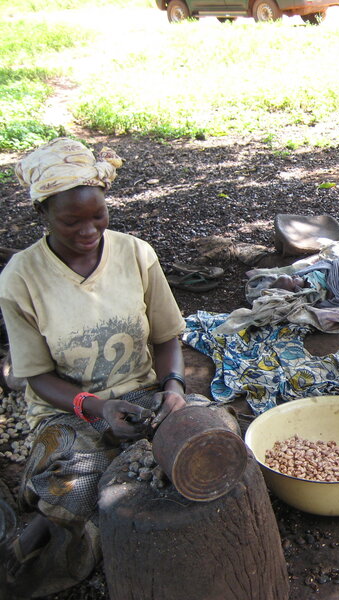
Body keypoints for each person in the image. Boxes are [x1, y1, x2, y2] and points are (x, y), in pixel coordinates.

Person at [0, 138, 189, 597]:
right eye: (72, 221)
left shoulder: (136, 254)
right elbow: (36, 377)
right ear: (42, 214)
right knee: (79, 481)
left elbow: (166, 338)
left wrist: (174, 389)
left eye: (98, 216)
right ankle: (43, 532)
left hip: (143, 394)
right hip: (68, 408)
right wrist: (98, 408)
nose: (89, 230)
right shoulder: (21, 277)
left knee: (209, 433)